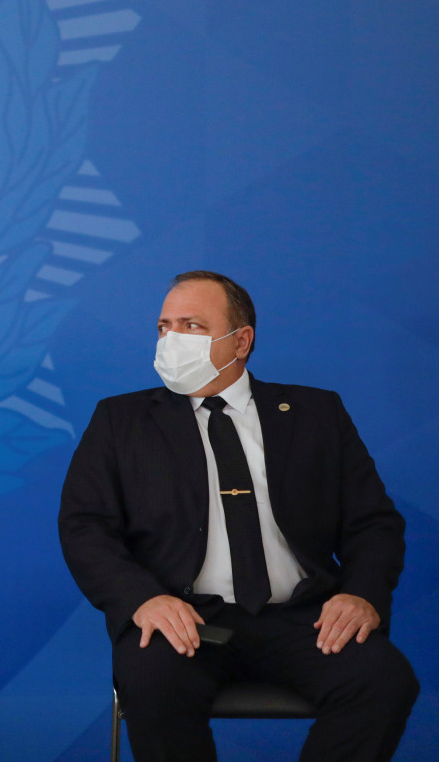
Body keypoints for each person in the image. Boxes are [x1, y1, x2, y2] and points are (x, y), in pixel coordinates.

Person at [58, 271, 418, 762]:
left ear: (241, 341)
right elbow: (85, 527)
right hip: (184, 619)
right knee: (152, 683)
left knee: (384, 681)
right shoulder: (120, 421)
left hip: (304, 619)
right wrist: (142, 599)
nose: (172, 338)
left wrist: (362, 595)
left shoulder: (317, 413)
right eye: (164, 326)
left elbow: (373, 522)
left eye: (191, 325)